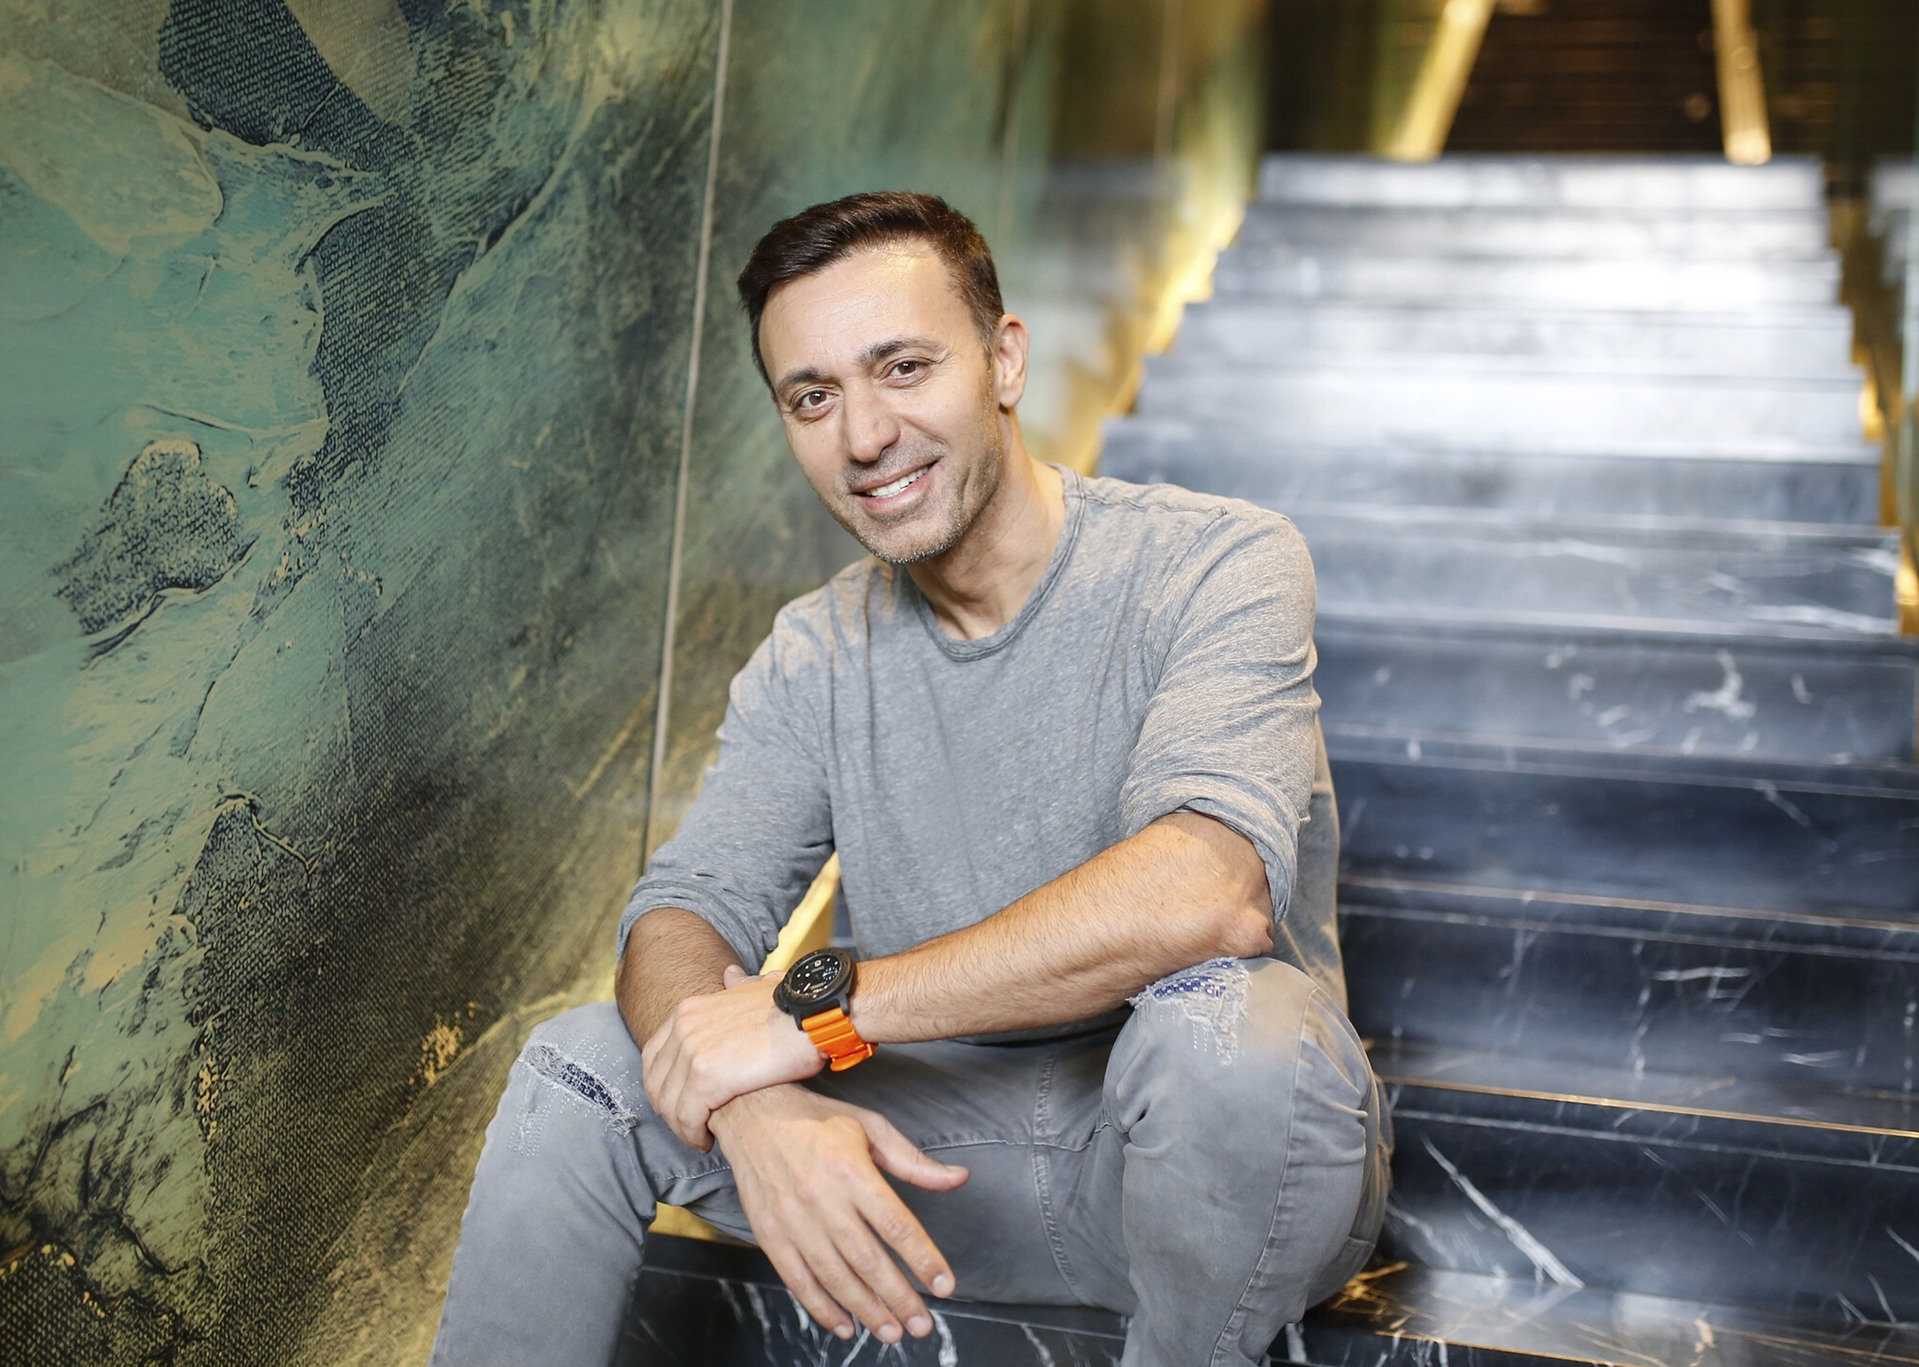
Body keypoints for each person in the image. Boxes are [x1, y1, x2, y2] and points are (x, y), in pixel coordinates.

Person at [431, 191, 1390, 1367]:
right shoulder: (813, 651)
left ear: (1003, 359)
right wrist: (752, 1102)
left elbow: (1205, 895)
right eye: (813, 397)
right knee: (582, 1061)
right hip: (933, 1166)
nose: (863, 435)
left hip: (1212, 1166)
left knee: (1230, 1030)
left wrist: (808, 1015)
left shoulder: (1215, 560)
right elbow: (680, 913)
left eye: (902, 366)